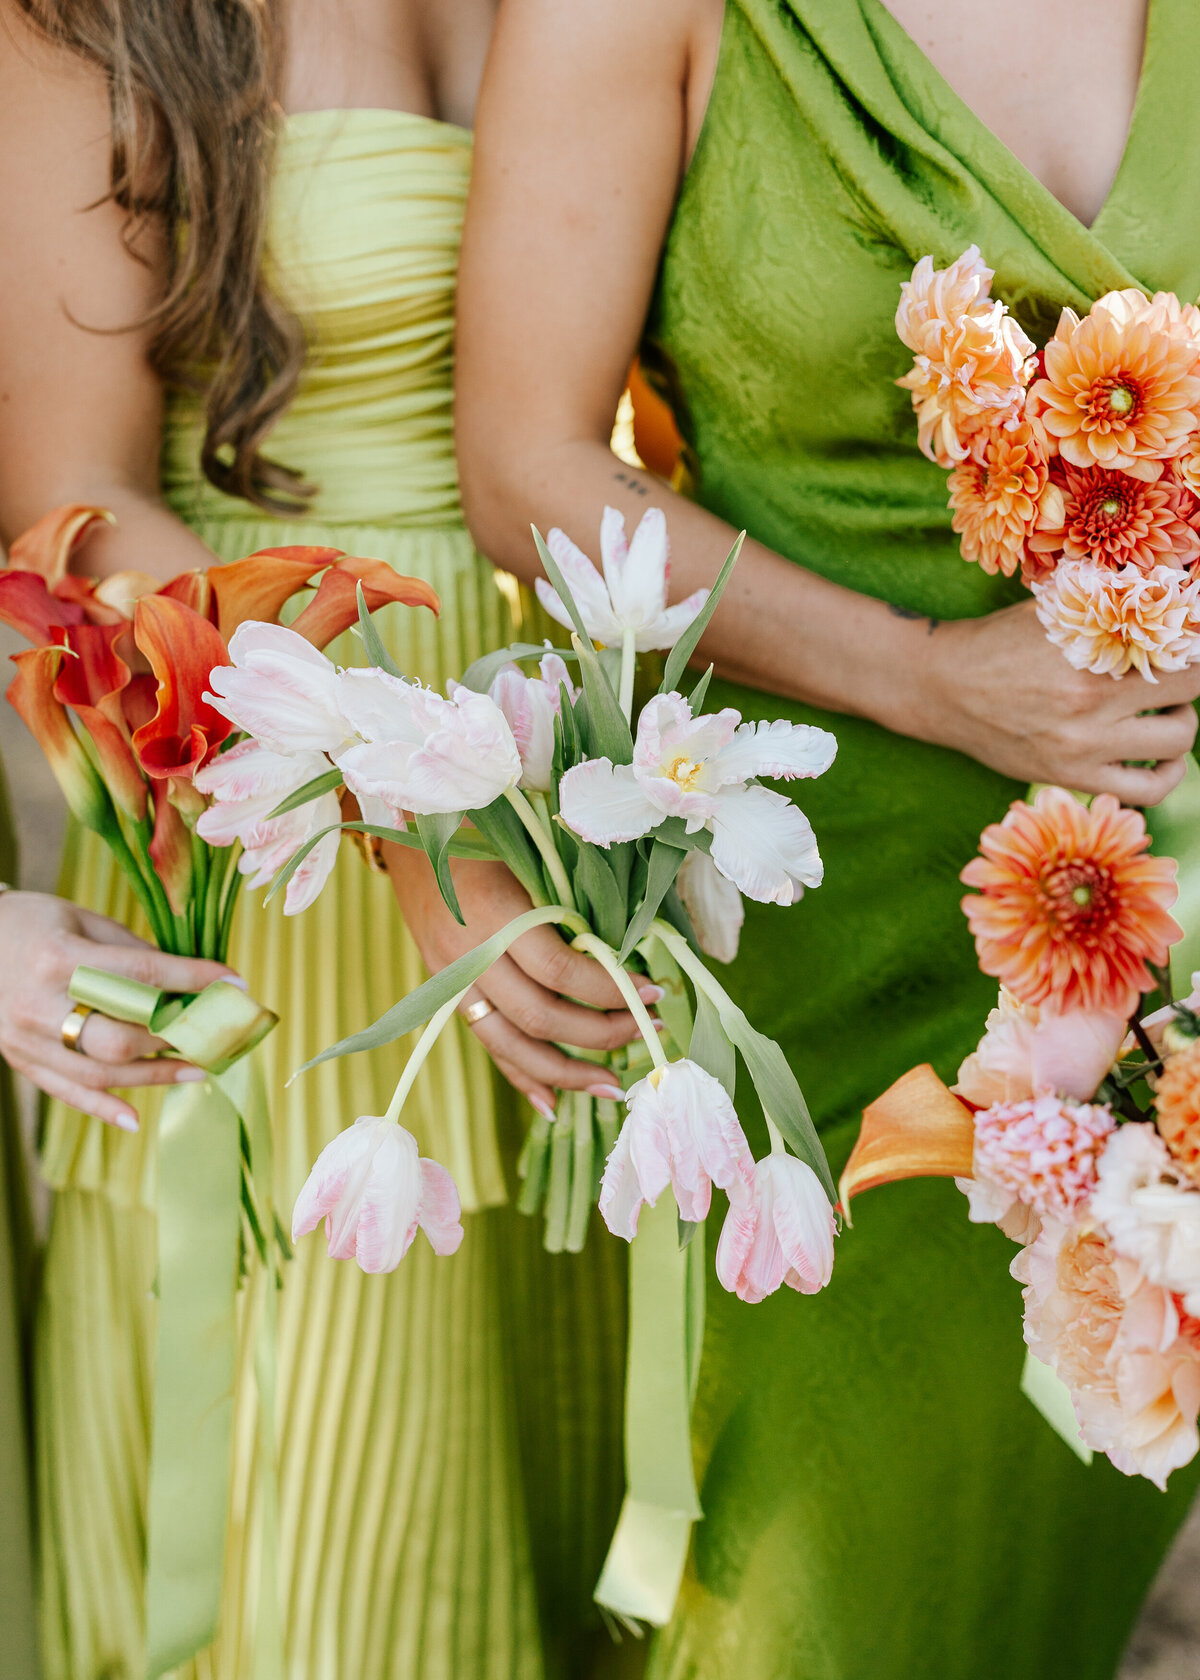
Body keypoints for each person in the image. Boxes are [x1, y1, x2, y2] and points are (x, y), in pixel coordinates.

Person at [452, 0, 1200, 1675]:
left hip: (1174, 949)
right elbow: (525, 464)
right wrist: (932, 676)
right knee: (820, 1600)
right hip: (822, 931)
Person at [0, 3, 645, 1674]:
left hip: (573, 762)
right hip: (264, 758)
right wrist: (401, 806)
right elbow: (73, 507)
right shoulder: (87, 29)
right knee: (337, 1526)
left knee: (568, 1449)